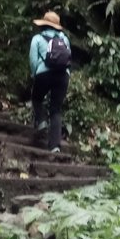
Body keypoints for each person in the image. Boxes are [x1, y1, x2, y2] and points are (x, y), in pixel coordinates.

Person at [29, 10, 71, 153]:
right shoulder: (64, 39)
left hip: (44, 74)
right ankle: (54, 146)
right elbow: (68, 57)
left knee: (36, 98)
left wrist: (35, 74)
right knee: (56, 110)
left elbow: (33, 60)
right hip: (63, 75)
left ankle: (41, 121)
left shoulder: (38, 38)